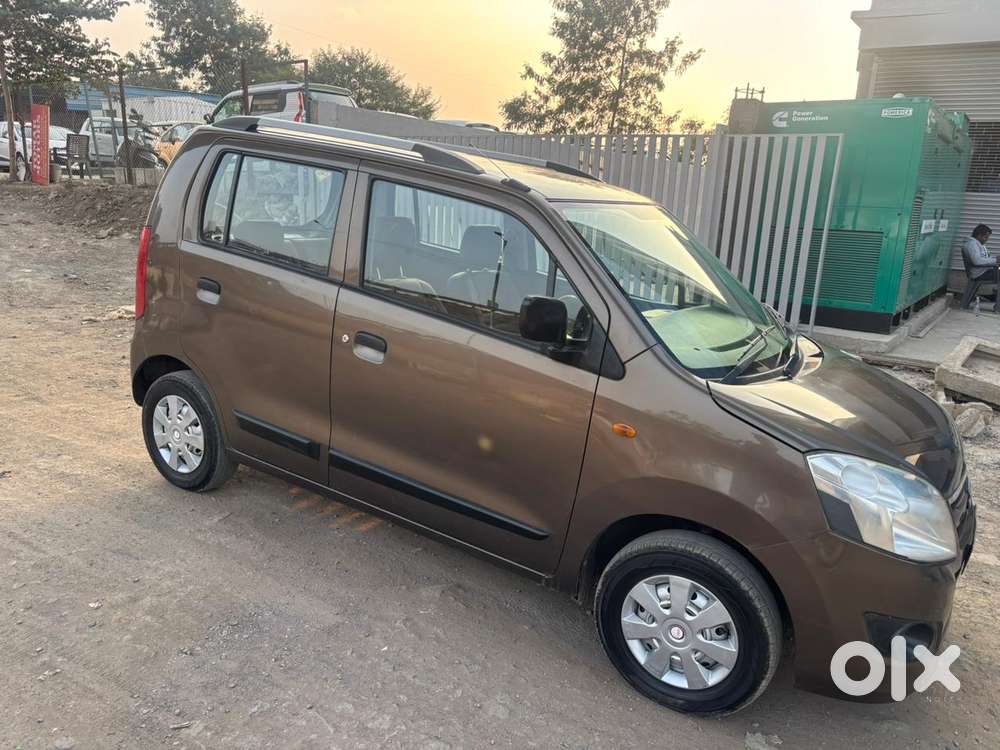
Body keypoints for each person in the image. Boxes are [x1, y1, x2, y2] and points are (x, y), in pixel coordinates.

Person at [961, 224, 997, 312]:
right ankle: (998, 307)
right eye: (985, 237)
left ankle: (996, 302)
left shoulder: (978, 244)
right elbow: (977, 261)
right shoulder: (971, 244)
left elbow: (985, 259)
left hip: (984, 271)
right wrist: (996, 260)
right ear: (979, 235)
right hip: (979, 274)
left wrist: (996, 260)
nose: (986, 240)